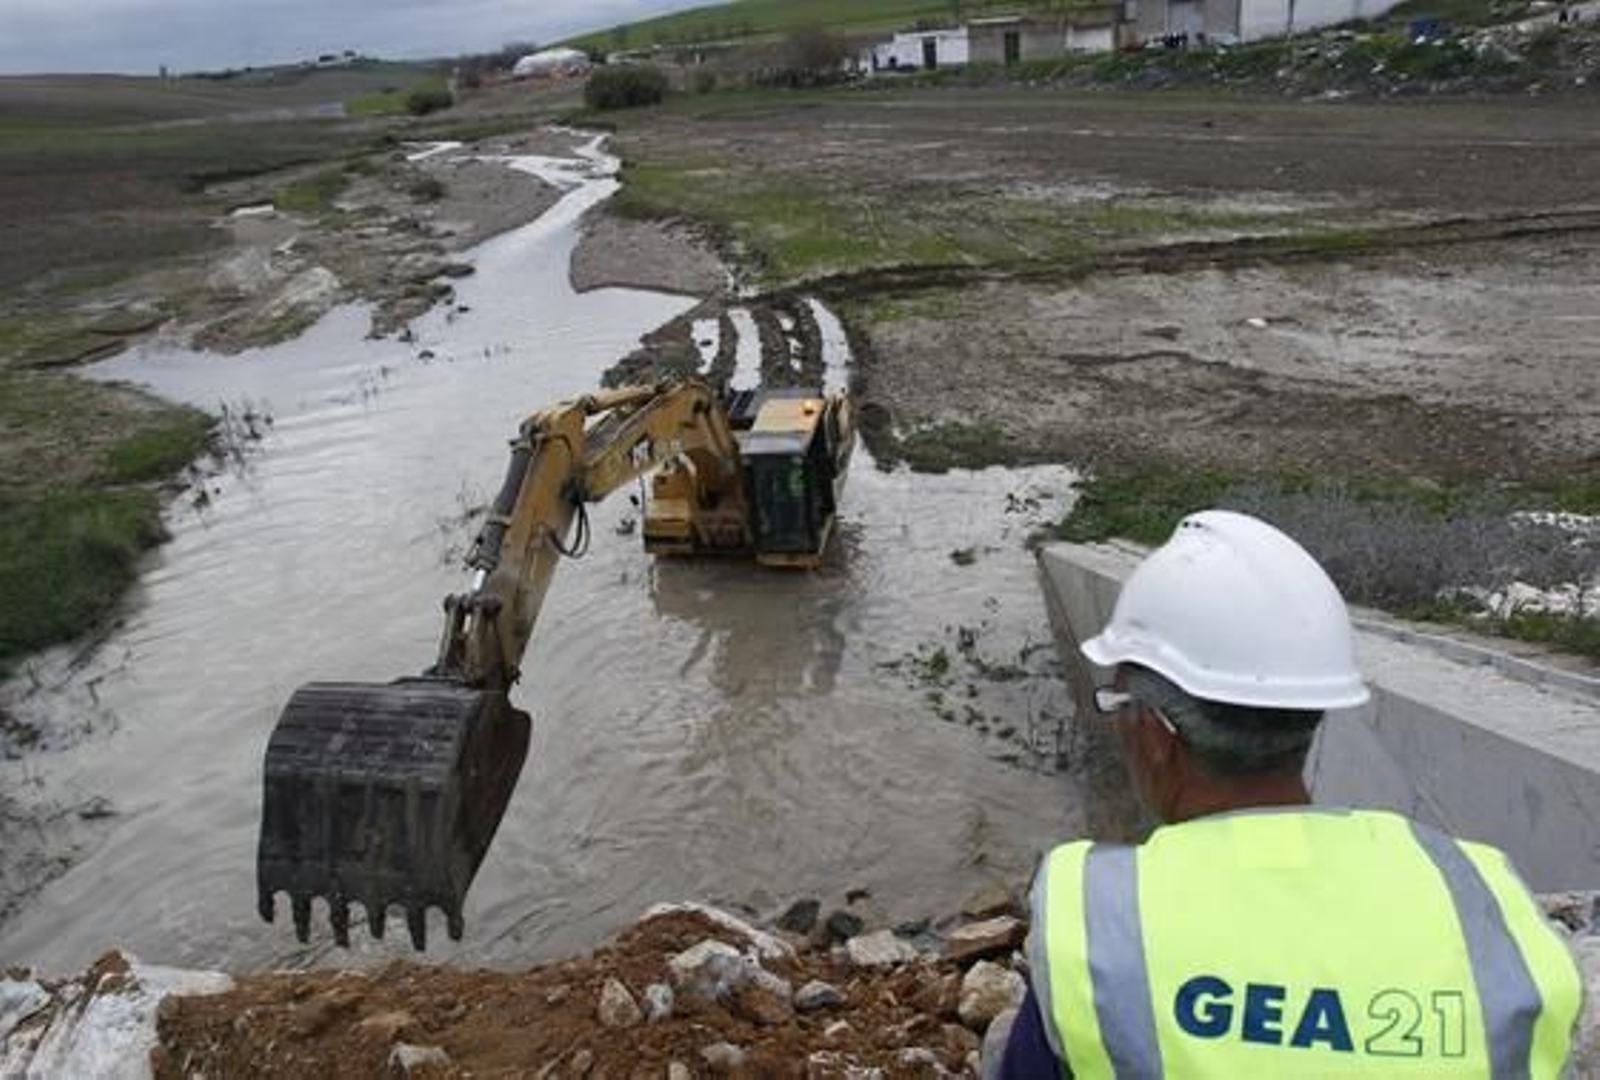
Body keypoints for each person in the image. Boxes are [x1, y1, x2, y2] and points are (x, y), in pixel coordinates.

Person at [991, 510, 1583, 1078]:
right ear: (1312, 713)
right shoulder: (1485, 897)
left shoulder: (1097, 918)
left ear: (1154, 734)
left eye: (1118, 705)